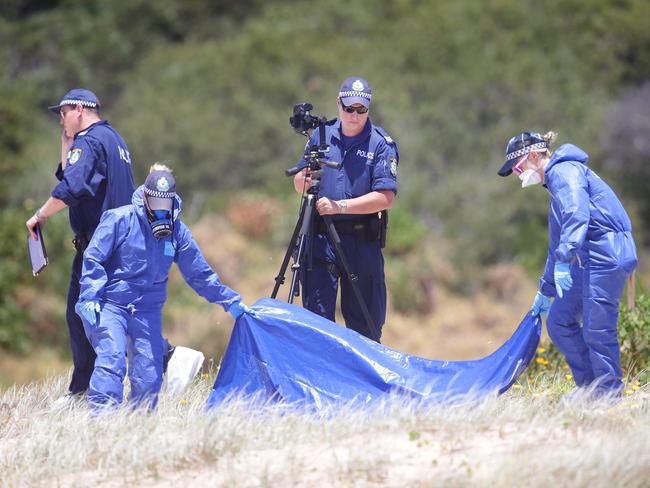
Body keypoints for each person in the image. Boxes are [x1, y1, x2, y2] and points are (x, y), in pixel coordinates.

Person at [26, 89, 196, 407]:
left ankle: (85, 389)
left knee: (84, 314)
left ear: (79, 109)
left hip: (101, 246)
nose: (60, 120)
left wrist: (40, 216)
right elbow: (75, 175)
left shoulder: (89, 141)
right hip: (123, 241)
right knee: (115, 313)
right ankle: (169, 358)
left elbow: (73, 187)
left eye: (62, 113)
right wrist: (66, 143)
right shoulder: (113, 139)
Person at [76, 164, 249, 412]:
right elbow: (94, 258)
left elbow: (198, 272)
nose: (160, 209)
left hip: (147, 311)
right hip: (110, 305)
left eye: (164, 204)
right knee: (112, 360)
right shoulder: (119, 219)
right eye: (155, 202)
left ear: (172, 201)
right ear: (145, 197)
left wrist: (228, 300)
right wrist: (90, 295)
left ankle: (139, 427)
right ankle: (103, 425)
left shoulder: (177, 232)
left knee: (149, 373)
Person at [498, 131, 638, 401]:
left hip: (608, 254)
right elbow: (556, 246)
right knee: (560, 320)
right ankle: (590, 388)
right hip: (589, 259)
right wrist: (545, 289)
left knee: (597, 329)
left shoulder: (565, 172)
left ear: (536, 155)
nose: (518, 175)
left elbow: (577, 217)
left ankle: (609, 394)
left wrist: (564, 261)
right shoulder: (555, 186)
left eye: (518, 167)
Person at [292, 77, 398, 341]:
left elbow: (386, 197)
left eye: (361, 109)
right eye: (349, 108)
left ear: (368, 108)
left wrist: (340, 206)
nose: (354, 115)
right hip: (321, 237)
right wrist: (305, 180)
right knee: (317, 321)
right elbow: (299, 180)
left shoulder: (381, 143)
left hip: (361, 239)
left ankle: (363, 381)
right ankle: (320, 377)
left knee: (366, 326)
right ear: (339, 103)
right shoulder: (321, 134)